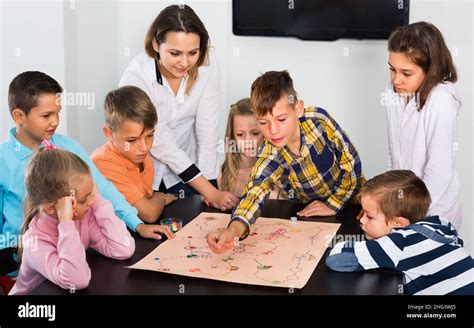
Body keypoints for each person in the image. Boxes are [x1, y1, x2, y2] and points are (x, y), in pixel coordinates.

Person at [208, 70, 364, 253]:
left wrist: (334, 203)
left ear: (298, 109)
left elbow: (351, 162)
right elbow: (254, 194)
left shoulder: (319, 121)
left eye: (281, 119)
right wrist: (233, 230)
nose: (273, 130)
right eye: (263, 123)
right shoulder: (269, 153)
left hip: (354, 199)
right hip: (313, 214)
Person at [119, 4, 238, 210]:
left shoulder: (207, 65)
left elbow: (207, 127)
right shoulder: (136, 78)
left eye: (193, 52)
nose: (184, 62)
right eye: (175, 53)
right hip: (143, 174)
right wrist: (209, 191)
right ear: (156, 44)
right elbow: (160, 141)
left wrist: (209, 184)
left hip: (191, 173)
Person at [326, 170, 474, 295]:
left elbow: (337, 258)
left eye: (369, 216)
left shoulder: (401, 243)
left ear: (399, 224)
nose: (362, 220)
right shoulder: (437, 226)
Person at [10, 149, 136, 295]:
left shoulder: (83, 217)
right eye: (84, 199)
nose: (91, 202)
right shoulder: (35, 242)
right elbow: (77, 281)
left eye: (92, 193)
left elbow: (123, 249)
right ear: (52, 208)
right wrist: (65, 223)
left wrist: (98, 198)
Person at [385, 21, 462, 229]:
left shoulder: (441, 101)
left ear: (431, 71)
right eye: (392, 69)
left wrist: (409, 213)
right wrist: (386, 200)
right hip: (403, 207)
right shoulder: (395, 91)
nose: (395, 80)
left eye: (406, 73)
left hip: (433, 211)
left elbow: (439, 171)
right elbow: (394, 154)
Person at [91, 86, 177, 223]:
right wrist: (161, 198)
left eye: (150, 135)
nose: (144, 147)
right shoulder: (102, 162)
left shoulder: (143, 158)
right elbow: (149, 214)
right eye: (132, 140)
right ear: (109, 133)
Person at [218, 98, 283, 199]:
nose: (247, 140)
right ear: (232, 136)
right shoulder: (220, 174)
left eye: (255, 133)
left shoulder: (281, 173)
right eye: (240, 134)